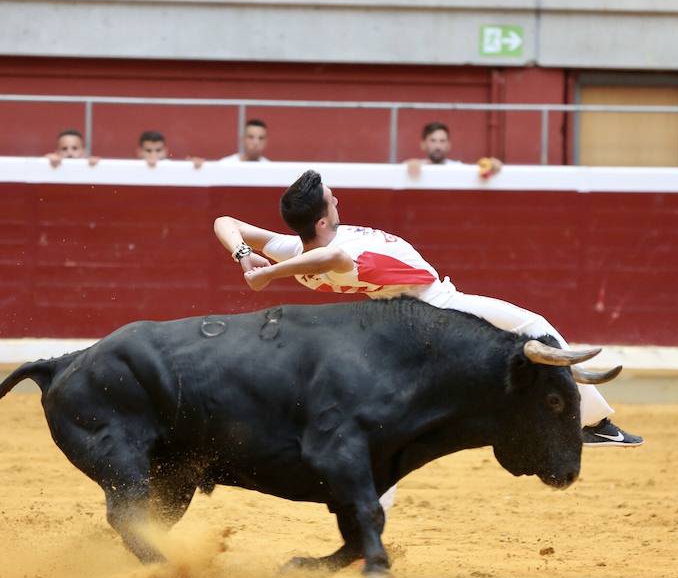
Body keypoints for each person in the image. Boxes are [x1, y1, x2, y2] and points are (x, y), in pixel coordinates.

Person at [212, 170, 642, 458]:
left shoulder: (294, 247)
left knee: (389, 435)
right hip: (437, 310)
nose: (337, 198)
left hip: (403, 320)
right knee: (534, 327)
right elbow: (333, 257)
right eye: (331, 199)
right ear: (322, 222)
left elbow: (225, 219)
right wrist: (272, 276)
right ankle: (590, 422)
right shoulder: (336, 256)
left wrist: (246, 256)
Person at [404, 122, 503, 178]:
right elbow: (399, 170)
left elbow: (480, 170)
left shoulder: (457, 167)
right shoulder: (415, 165)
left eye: (442, 141)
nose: (438, 146)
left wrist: (493, 165)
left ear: (448, 145)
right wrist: (406, 167)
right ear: (423, 145)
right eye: (433, 141)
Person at [137, 130, 206, 167]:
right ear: (139, 152)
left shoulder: (174, 167)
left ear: (165, 151)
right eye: (148, 151)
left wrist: (193, 167)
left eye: (158, 150)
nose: (153, 154)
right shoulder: (132, 167)